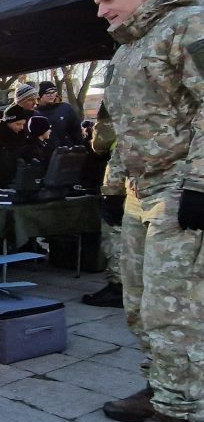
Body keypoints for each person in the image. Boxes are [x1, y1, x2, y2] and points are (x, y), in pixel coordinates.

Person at [94, 0, 203, 422]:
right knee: (138, 303)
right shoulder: (126, 48)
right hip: (141, 191)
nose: (101, 10)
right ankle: (161, 386)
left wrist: (199, 182)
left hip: (179, 189)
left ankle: (180, 411)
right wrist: (112, 184)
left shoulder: (188, 24)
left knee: (172, 309)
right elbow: (124, 127)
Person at [81, 103, 124, 308]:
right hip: (167, 173)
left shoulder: (118, 90)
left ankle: (118, 286)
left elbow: (101, 142)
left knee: (115, 229)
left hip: (123, 173)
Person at [34, 81, 84, 155]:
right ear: (40, 95)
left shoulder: (66, 108)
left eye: (54, 92)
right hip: (43, 155)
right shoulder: (34, 113)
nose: (51, 95)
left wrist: (78, 149)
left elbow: (76, 131)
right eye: (47, 93)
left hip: (66, 153)